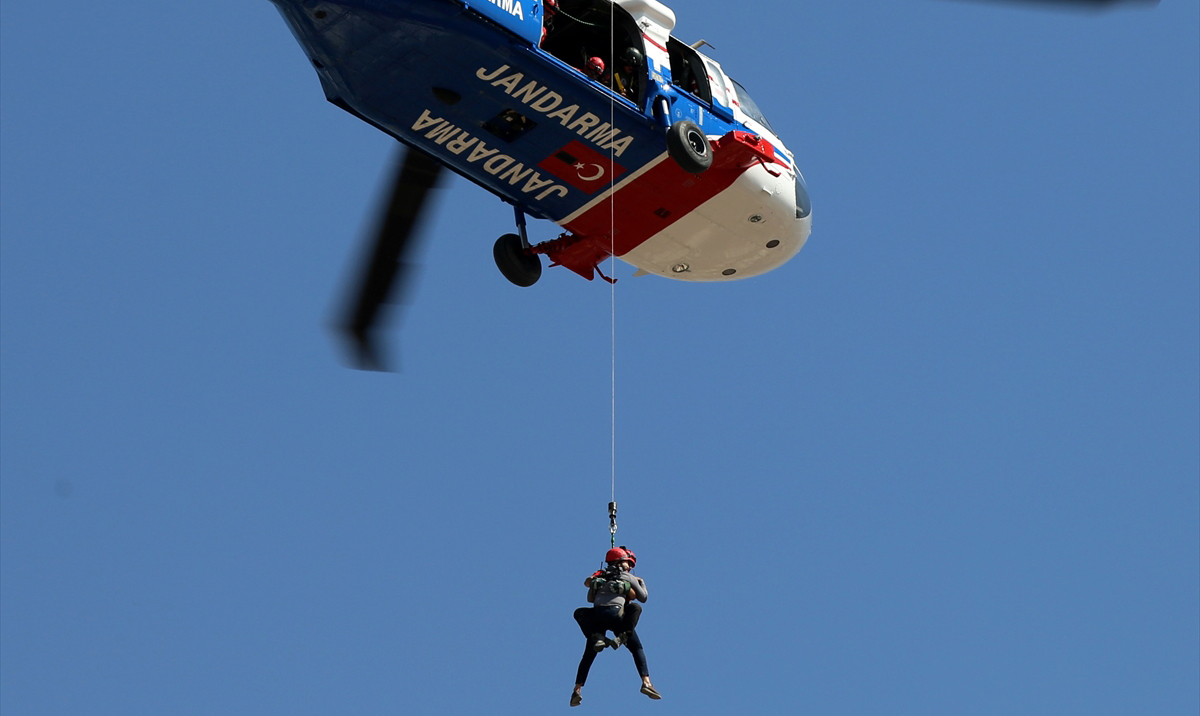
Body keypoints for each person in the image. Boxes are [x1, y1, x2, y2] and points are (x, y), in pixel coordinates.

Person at [570, 547, 660, 706]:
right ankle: (646, 682)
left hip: (598, 618)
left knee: (588, 654)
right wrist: (640, 582)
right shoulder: (626, 576)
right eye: (628, 563)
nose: (629, 567)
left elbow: (590, 599)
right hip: (618, 617)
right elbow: (643, 597)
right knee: (636, 643)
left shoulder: (599, 577)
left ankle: (577, 689)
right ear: (620, 561)